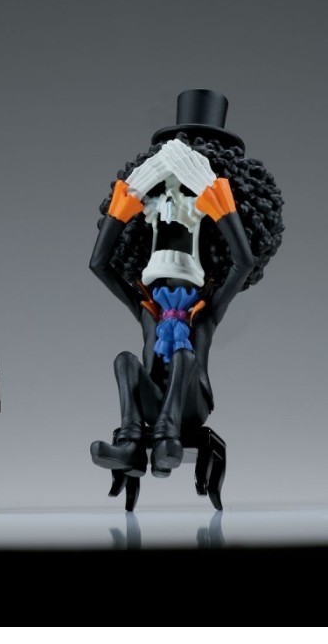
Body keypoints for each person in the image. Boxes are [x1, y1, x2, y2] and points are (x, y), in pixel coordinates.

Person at [89, 89, 284, 478]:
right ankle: (131, 445)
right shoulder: (148, 309)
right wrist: (124, 202)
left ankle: (168, 440)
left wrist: (219, 202)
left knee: (183, 356)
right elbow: (99, 264)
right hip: (151, 402)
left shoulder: (206, 311)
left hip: (193, 405)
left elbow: (243, 261)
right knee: (126, 360)